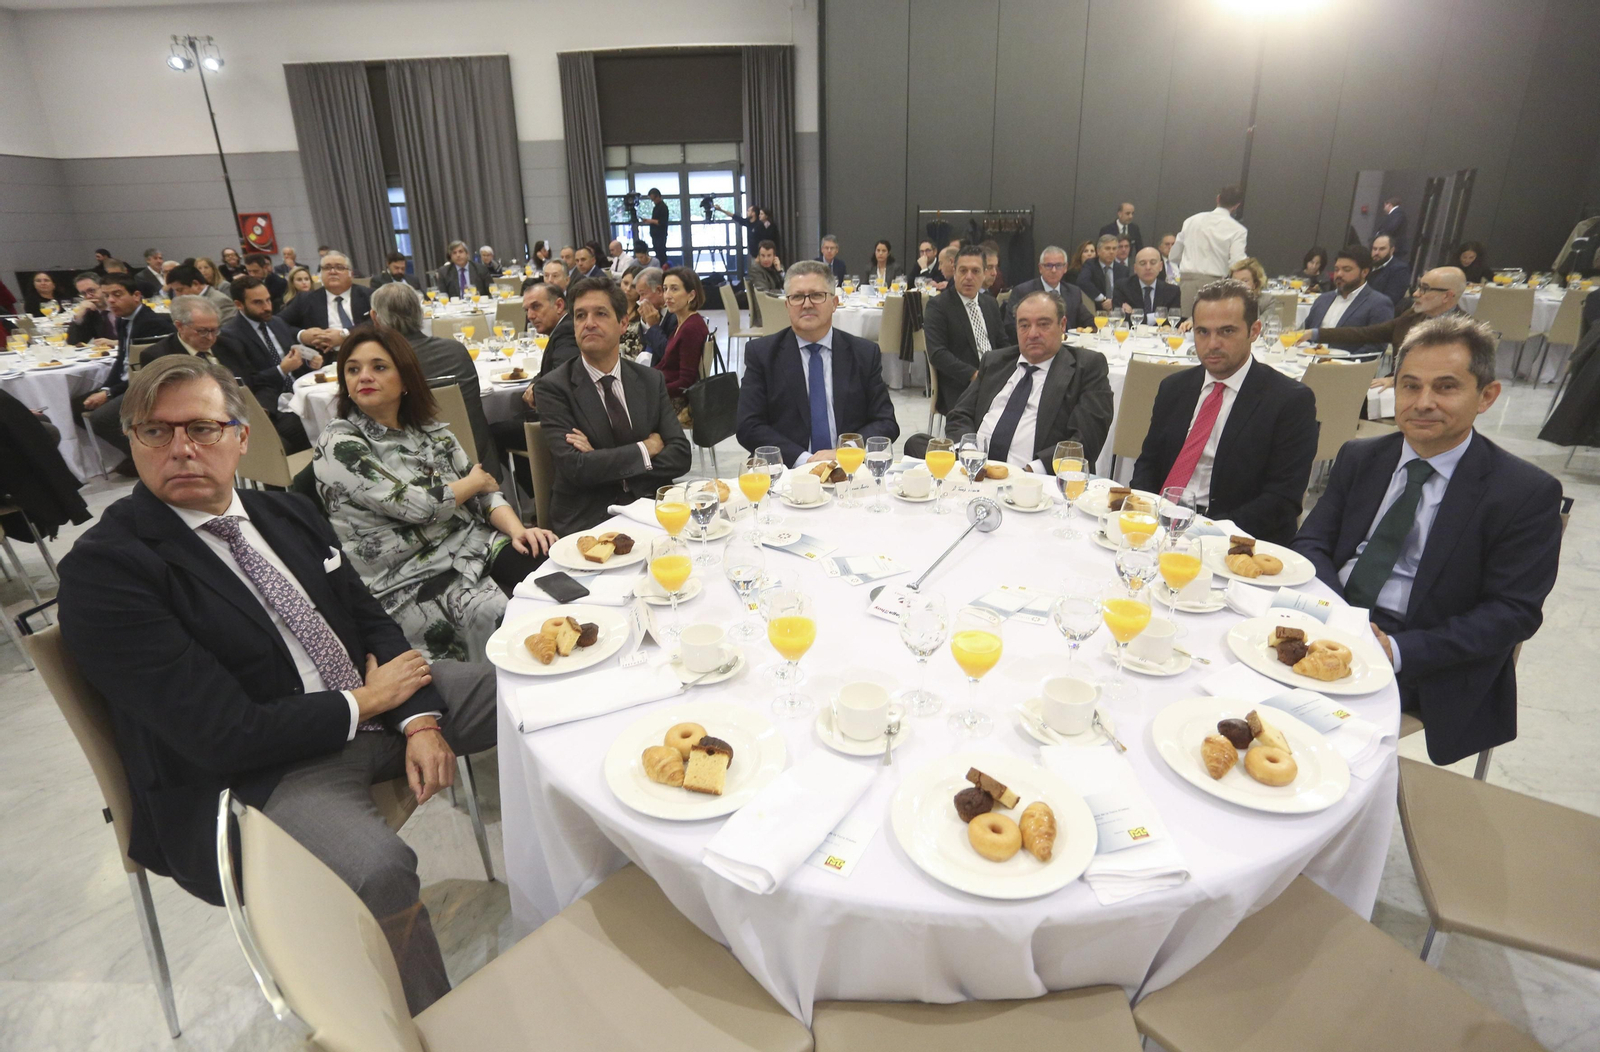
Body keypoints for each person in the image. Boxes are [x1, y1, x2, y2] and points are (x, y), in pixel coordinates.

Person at [58, 352, 497, 1015]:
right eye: (155, 431)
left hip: (374, 708)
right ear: (133, 443)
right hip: (268, 770)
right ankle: (426, 1023)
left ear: (241, 436)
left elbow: (369, 616)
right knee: (378, 869)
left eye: (202, 429)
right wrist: (366, 702)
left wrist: (418, 719)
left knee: (526, 691)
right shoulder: (108, 572)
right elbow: (222, 735)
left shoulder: (283, 513)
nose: (180, 448)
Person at [1292, 316, 1561, 766]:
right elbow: (1311, 543)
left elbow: (1512, 613)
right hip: (1335, 615)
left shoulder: (1522, 492)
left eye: (1446, 387)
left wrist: (1396, 649)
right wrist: (1339, 619)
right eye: (1410, 386)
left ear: (1486, 396)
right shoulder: (1362, 456)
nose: (1423, 403)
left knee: (1316, 744)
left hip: (1424, 650)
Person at [314, 326, 551, 662]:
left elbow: (485, 495)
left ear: (406, 380)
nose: (364, 376)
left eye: (379, 367)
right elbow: (416, 505)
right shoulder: (340, 444)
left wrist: (519, 531)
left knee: (550, 568)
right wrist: (473, 482)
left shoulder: (427, 432)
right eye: (353, 369)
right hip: (409, 578)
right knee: (506, 618)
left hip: (472, 546)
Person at [1130, 279, 1318, 545]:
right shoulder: (1175, 388)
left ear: (1254, 331)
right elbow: (1148, 462)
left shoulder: (1288, 401)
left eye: (1226, 331)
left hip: (1233, 536)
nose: (1212, 344)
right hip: (1161, 523)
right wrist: (1145, 509)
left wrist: (1208, 533)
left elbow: (1282, 500)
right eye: (1202, 332)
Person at [536, 277, 691, 534]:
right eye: (580, 315)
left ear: (622, 324)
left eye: (600, 314)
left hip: (651, 509)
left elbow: (681, 456)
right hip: (589, 518)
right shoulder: (554, 387)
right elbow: (576, 468)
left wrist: (599, 457)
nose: (588, 323)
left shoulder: (650, 380)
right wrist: (646, 448)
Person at [735, 260, 899, 466]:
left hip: (850, 469)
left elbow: (886, 423)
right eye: (796, 297)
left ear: (834, 303)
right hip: (788, 471)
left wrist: (844, 452)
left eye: (816, 295)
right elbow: (748, 426)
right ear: (787, 305)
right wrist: (805, 460)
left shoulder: (864, 353)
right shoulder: (762, 354)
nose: (806, 304)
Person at [945, 289, 1114, 468]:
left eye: (1043, 324)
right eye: (1024, 325)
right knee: (917, 444)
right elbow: (960, 414)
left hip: (1036, 479)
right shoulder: (995, 361)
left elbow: (1085, 441)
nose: (1033, 334)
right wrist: (969, 452)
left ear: (1062, 325)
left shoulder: (1087, 367)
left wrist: (1033, 471)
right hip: (974, 468)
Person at [370, 282, 496, 475]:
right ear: (421, 314)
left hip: (414, 474)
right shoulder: (456, 351)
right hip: (478, 462)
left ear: (375, 319)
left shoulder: (381, 366)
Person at [1301, 267, 1469, 392]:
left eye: (1424, 289)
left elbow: (1452, 381)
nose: (1416, 294)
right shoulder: (1413, 315)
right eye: (1418, 287)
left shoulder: (1464, 332)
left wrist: (1398, 381)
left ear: (1447, 296)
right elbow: (1368, 333)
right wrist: (1315, 333)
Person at [71, 273, 177, 470]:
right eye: (107, 295)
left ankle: (154, 459)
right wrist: (105, 388)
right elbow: (121, 360)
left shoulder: (151, 323)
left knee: (100, 418)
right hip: (126, 382)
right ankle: (133, 454)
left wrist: (109, 393)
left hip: (147, 385)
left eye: (117, 294)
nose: (111, 301)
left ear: (136, 295)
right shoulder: (122, 320)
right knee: (76, 405)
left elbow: (147, 372)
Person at [222, 276, 319, 454]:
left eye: (267, 300)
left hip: (299, 394)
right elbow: (246, 384)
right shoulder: (229, 336)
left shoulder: (277, 323)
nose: (267, 307)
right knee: (316, 427)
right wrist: (281, 370)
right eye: (258, 302)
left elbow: (293, 362)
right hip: (271, 406)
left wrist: (309, 362)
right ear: (239, 304)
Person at [924, 244, 1005, 416]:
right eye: (963, 270)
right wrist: (975, 374)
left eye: (975, 271)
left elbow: (1002, 343)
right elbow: (938, 353)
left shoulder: (990, 303)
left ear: (984, 274)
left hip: (995, 378)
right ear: (954, 272)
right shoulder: (939, 306)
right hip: (960, 383)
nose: (968, 277)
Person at [1302, 245, 1395, 358]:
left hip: (1346, 368)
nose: (1339, 274)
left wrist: (1341, 364)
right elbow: (1305, 333)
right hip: (1306, 362)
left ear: (1364, 272)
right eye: (1336, 269)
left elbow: (1376, 347)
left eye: (1347, 270)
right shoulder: (1323, 299)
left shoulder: (1378, 303)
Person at [279, 251, 372, 351]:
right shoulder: (305, 299)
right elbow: (277, 323)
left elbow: (381, 322)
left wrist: (346, 334)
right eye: (327, 268)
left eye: (339, 267)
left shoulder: (369, 295)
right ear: (321, 274)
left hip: (365, 351)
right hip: (322, 359)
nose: (332, 272)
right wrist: (301, 335)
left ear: (351, 274)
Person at [137, 295, 248, 372]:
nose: (210, 337)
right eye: (202, 331)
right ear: (180, 326)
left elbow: (253, 383)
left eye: (214, 330)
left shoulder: (231, 346)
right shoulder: (158, 357)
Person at [1005, 245, 1093, 341]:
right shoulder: (1023, 291)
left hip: (1070, 348)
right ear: (1040, 268)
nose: (1054, 270)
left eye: (1058, 265)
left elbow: (1089, 321)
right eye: (1048, 266)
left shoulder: (1073, 292)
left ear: (1065, 268)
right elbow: (1011, 326)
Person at [1170, 184, 1248, 287]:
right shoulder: (1238, 230)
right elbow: (1237, 262)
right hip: (1214, 282)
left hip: (1187, 281)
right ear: (1236, 206)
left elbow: (1174, 255)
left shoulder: (1191, 220)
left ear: (1218, 198)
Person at [656, 267, 709, 403]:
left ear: (691, 295)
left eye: (674, 289)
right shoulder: (681, 323)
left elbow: (686, 382)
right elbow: (664, 364)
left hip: (676, 400)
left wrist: (653, 390)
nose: (667, 295)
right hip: (666, 389)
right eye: (665, 288)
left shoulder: (691, 328)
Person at [1118, 247, 1183, 319]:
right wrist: (1158, 316)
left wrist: (1134, 314)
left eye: (1153, 263)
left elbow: (1173, 320)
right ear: (1135, 268)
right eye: (1142, 263)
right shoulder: (1122, 287)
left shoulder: (1172, 291)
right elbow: (1120, 318)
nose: (1148, 267)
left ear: (1160, 266)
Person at [167, 263, 236, 323]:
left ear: (195, 284)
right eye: (175, 291)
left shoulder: (220, 301)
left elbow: (228, 332)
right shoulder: (191, 301)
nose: (177, 295)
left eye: (180, 290)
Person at [1076, 234, 1127, 312]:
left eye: (1114, 249)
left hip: (1117, 311)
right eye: (1107, 248)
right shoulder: (1090, 264)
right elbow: (1082, 281)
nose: (1111, 252)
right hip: (1096, 310)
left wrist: (1113, 303)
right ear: (1098, 251)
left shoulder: (1123, 270)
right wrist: (1102, 299)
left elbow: (1125, 292)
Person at [634, 267, 676, 359]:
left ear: (659, 291)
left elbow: (667, 354)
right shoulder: (654, 312)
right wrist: (646, 322)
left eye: (643, 294)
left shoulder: (676, 315)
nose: (640, 300)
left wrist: (653, 326)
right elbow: (644, 344)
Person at [67, 272, 115, 345]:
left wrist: (116, 343)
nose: (89, 296)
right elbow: (73, 342)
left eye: (92, 290)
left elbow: (136, 339)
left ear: (103, 287)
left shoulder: (120, 305)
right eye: (83, 293)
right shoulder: (90, 311)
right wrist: (79, 316)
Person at [745, 240, 785, 326]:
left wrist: (780, 271)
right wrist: (783, 292)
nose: (765, 259)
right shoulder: (756, 269)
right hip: (765, 313)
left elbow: (788, 286)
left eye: (769, 256)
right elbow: (765, 292)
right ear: (758, 257)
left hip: (776, 308)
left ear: (774, 257)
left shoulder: (776, 267)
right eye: (763, 256)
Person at [1367, 233, 1412, 307]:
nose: (1376, 253)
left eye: (1382, 249)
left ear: (1392, 250)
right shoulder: (1367, 264)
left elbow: (1390, 299)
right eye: (1374, 249)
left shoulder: (1399, 269)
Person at [644, 188, 670, 265]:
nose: (653, 201)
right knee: (658, 253)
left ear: (658, 196)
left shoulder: (663, 207)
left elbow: (662, 222)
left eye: (653, 199)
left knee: (661, 254)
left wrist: (650, 221)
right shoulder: (656, 207)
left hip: (660, 235)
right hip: (656, 235)